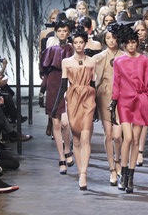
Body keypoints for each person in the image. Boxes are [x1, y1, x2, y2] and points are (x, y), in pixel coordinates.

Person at [108, 24, 148, 194]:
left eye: (133, 42)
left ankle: (130, 176)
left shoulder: (145, 60)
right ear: (124, 44)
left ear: (137, 43)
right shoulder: (119, 61)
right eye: (128, 43)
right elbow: (116, 83)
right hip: (124, 102)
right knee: (128, 137)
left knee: (136, 139)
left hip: (140, 101)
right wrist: (113, 102)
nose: (131, 45)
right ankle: (122, 173)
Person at [52, 27, 96, 191]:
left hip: (88, 99)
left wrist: (97, 109)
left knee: (85, 137)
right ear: (72, 44)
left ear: (85, 43)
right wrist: (57, 107)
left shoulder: (92, 61)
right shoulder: (66, 62)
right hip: (72, 99)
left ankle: (83, 173)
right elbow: (63, 86)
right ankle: (79, 170)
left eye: (81, 42)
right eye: (76, 42)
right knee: (76, 139)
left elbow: (94, 85)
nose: (78, 45)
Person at [39, 20, 75, 174]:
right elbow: (45, 73)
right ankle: (61, 157)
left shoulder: (72, 49)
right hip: (53, 86)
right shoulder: (50, 50)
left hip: (67, 86)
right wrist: (42, 90)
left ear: (68, 33)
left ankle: (67, 149)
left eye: (64, 31)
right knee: (56, 123)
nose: (62, 33)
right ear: (56, 32)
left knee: (66, 123)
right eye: (59, 30)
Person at [92, 28, 125, 186]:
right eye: (108, 38)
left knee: (118, 135)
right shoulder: (98, 58)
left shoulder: (124, 56)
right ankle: (112, 168)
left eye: (114, 37)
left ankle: (118, 161)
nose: (111, 40)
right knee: (109, 133)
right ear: (104, 40)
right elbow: (93, 79)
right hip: (104, 95)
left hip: (121, 96)